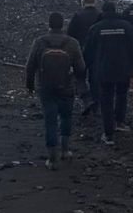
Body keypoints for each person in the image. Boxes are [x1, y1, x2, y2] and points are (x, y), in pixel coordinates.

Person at [26, 12, 86, 170]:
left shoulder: (39, 42)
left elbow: (30, 66)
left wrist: (30, 85)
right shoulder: (72, 43)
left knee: (50, 121)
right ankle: (65, 150)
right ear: (63, 25)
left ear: (49, 25)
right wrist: (78, 80)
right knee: (66, 117)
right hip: (67, 87)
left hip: (46, 88)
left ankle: (52, 158)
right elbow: (81, 68)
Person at [85, 1, 133, 145]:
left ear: (103, 12)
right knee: (121, 95)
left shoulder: (96, 27)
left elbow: (88, 51)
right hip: (123, 68)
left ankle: (108, 133)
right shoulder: (126, 26)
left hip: (104, 69)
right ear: (115, 10)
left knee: (106, 100)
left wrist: (83, 67)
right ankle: (120, 122)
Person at [67, 0, 101, 114]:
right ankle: (96, 104)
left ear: (82, 2)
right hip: (97, 52)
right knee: (94, 78)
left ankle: (87, 99)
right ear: (95, 2)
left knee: (79, 76)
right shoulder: (99, 16)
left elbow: (70, 35)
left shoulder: (78, 16)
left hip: (81, 51)